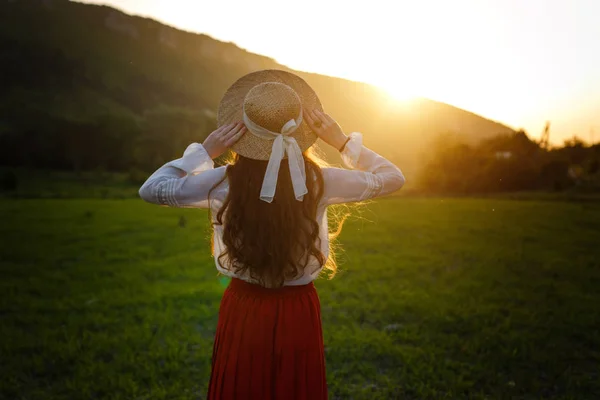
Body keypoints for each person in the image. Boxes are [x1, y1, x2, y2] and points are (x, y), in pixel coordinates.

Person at [138, 70, 405, 399]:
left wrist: (203, 153)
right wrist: (342, 142)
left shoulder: (225, 181)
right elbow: (392, 177)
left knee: (241, 386)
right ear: (302, 129)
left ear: (244, 130)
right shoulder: (321, 181)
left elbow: (152, 190)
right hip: (298, 310)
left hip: (243, 307)